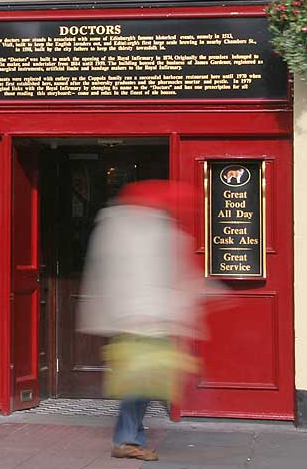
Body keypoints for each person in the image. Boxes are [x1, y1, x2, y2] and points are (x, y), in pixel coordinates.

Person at [77, 179, 205, 461]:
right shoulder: (130, 229)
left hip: (151, 316)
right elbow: (119, 275)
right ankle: (126, 439)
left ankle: (130, 436)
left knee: (146, 380)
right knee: (141, 381)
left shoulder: (154, 227)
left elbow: (177, 272)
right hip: (139, 318)